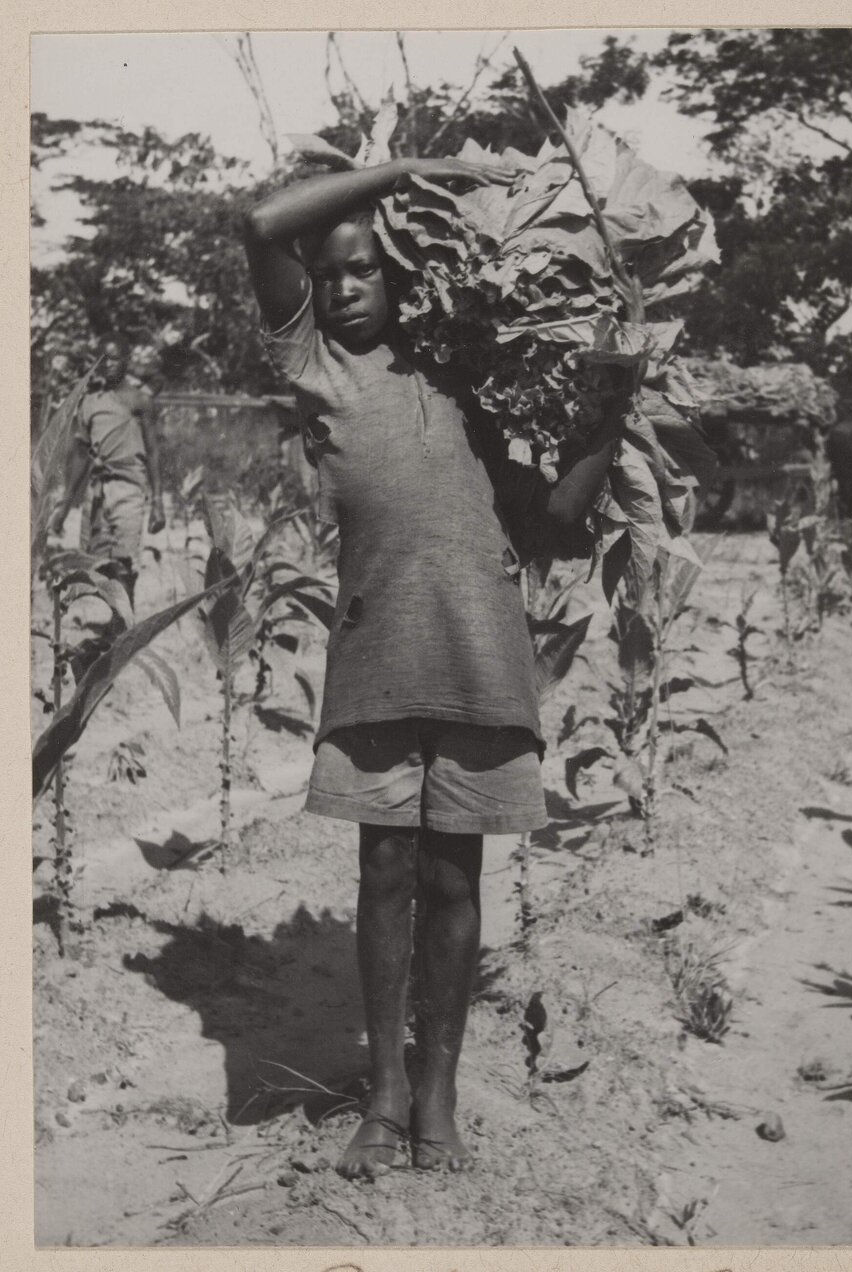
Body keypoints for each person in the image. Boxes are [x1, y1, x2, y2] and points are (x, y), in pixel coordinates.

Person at [243, 156, 635, 1180]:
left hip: (481, 663)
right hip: (377, 657)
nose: (340, 289)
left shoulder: (480, 385)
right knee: (383, 870)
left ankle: (439, 1098)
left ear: (409, 280)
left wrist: (610, 408)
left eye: (365, 270)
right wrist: (405, 170)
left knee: (456, 880)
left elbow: (553, 523)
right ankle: (380, 1098)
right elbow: (260, 222)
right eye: (330, 275)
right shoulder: (322, 370)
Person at [50, 335, 165, 606]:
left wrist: (158, 501)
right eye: (103, 359)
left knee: (125, 561)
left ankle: (123, 627)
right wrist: (65, 506)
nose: (108, 364)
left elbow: (153, 451)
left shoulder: (140, 401)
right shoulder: (90, 402)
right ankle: (115, 624)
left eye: (115, 358)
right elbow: (80, 454)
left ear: (127, 362)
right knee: (99, 561)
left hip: (128, 488)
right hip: (97, 491)